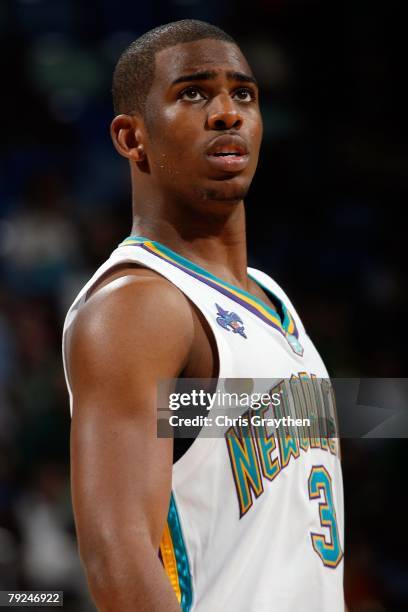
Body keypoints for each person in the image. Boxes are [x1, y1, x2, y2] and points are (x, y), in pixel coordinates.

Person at [62, 19, 345, 612]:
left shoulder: (272, 296)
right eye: (193, 93)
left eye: (243, 93)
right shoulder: (137, 307)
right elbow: (118, 559)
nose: (226, 113)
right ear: (130, 138)